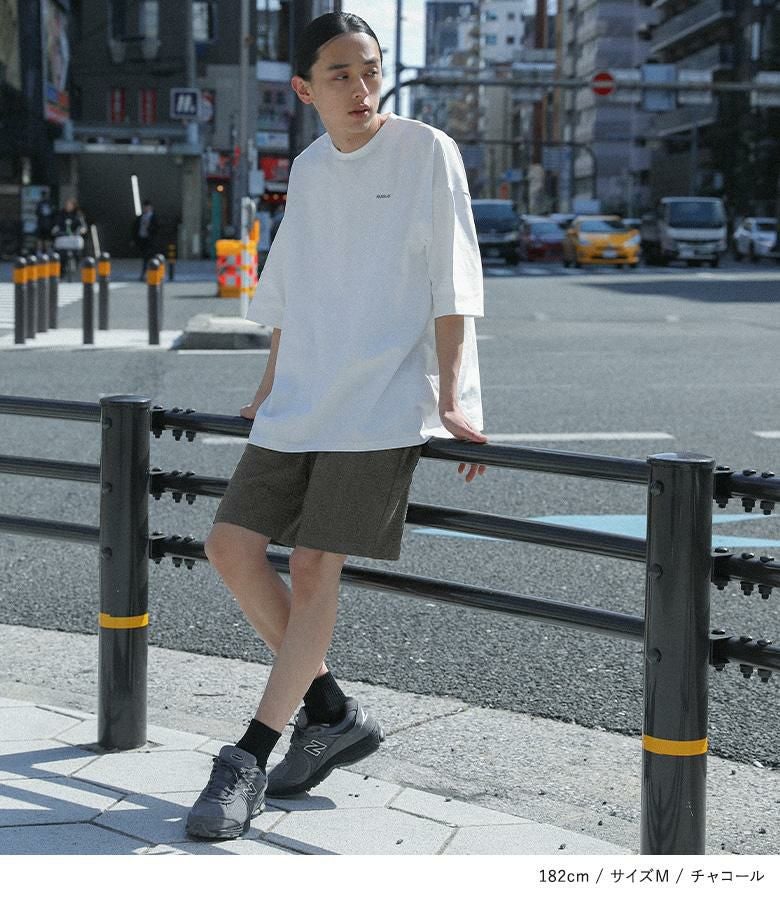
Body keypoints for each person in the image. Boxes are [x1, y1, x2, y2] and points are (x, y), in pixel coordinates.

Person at [186, 11, 487, 841]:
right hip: (304, 392)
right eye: (340, 74)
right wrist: (268, 385)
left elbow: (455, 278)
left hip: (386, 395)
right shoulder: (311, 166)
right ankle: (330, 710)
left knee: (317, 564)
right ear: (305, 89)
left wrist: (455, 397)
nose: (361, 88)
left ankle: (249, 756)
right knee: (230, 547)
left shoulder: (427, 150)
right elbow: (294, 286)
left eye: (370, 69)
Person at [133, 199, 158, 280]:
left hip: (150, 240)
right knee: (145, 257)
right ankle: (146, 273)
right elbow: (135, 229)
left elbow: (157, 229)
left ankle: (147, 274)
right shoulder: (140, 217)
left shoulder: (154, 217)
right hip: (142, 239)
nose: (145, 209)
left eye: (147, 207)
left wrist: (149, 227)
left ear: (150, 208)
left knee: (148, 258)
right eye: (144, 207)